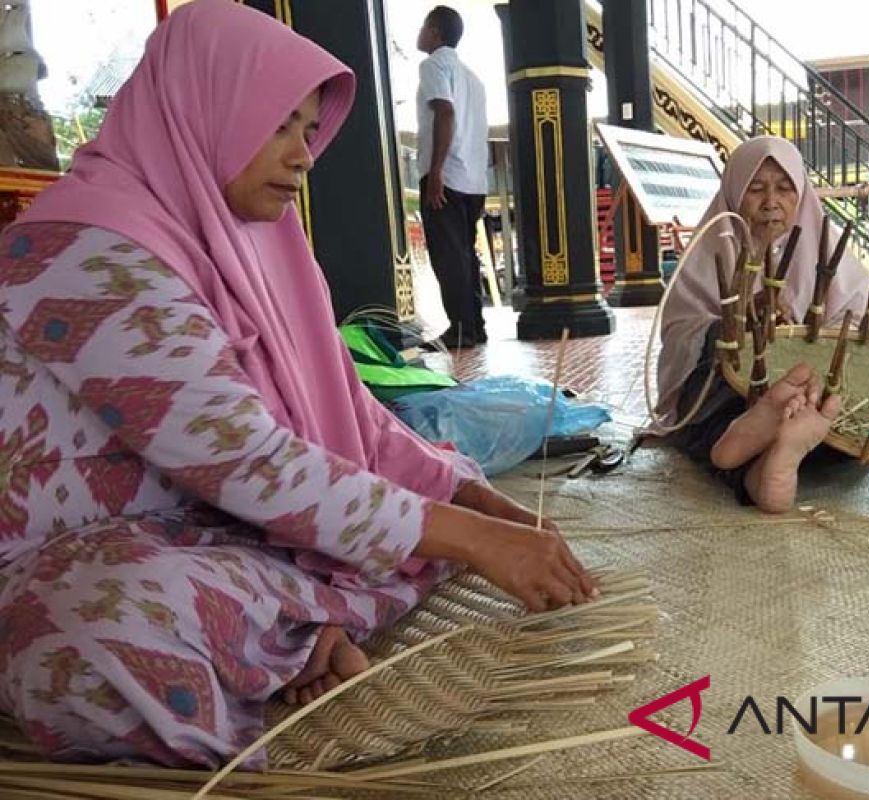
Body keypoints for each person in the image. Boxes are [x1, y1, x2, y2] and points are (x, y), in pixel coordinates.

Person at [0, 0, 593, 768]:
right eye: (276, 125)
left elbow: (350, 414)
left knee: (367, 533)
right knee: (87, 638)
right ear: (200, 108)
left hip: (192, 525)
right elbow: (247, 461)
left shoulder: (254, 239)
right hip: (65, 553)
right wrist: (478, 543)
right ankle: (283, 644)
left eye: (308, 130)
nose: (303, 154)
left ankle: (274, 645)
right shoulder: (83, 251)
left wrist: (479, 502)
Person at [656, 137, 869, 514]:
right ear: (736, 192)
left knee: (852, 435)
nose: (771, 202)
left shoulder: (825, 245)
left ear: (801, 194)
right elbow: (679, 336)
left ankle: (771, 455)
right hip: (728, 389)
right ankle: (769, 449)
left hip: (808, 387)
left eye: (784, 189)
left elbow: (856, 328)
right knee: (707, 423)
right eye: (756, 189)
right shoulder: (712, 248)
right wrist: (734, 321)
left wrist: (807, 331)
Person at [416, 6, 489, 348]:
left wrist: (436, 171)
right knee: (465, 253)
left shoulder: (433, 65)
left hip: (447, 174)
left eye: (423, 26)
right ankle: (475, 324)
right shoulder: (473, 78)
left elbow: (444, 111)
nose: (420, 33)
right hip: (474, 180)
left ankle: (460, 330)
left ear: (435, 30)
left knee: (448, 255)